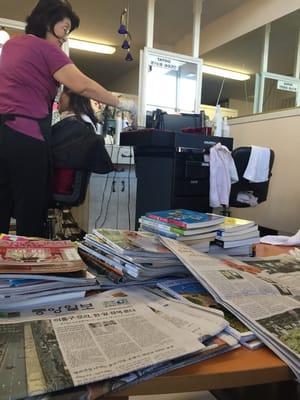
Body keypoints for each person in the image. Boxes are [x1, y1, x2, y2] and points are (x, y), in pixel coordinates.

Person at [0, 0, 135, 238]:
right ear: (48, 22)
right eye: (64, 28)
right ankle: (32, 271)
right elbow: (82, 85)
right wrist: (122, 103)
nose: (65, 37)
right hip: (26, 135)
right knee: (31, 210)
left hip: (3, 132)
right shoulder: (47, 49)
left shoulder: (12, 45)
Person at [51, 86, 114, 195]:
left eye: (62, 94)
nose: (59, 98)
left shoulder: (72, 126)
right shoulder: (86, 126)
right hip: (69, 187)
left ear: (72, 97)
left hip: (55, 186)